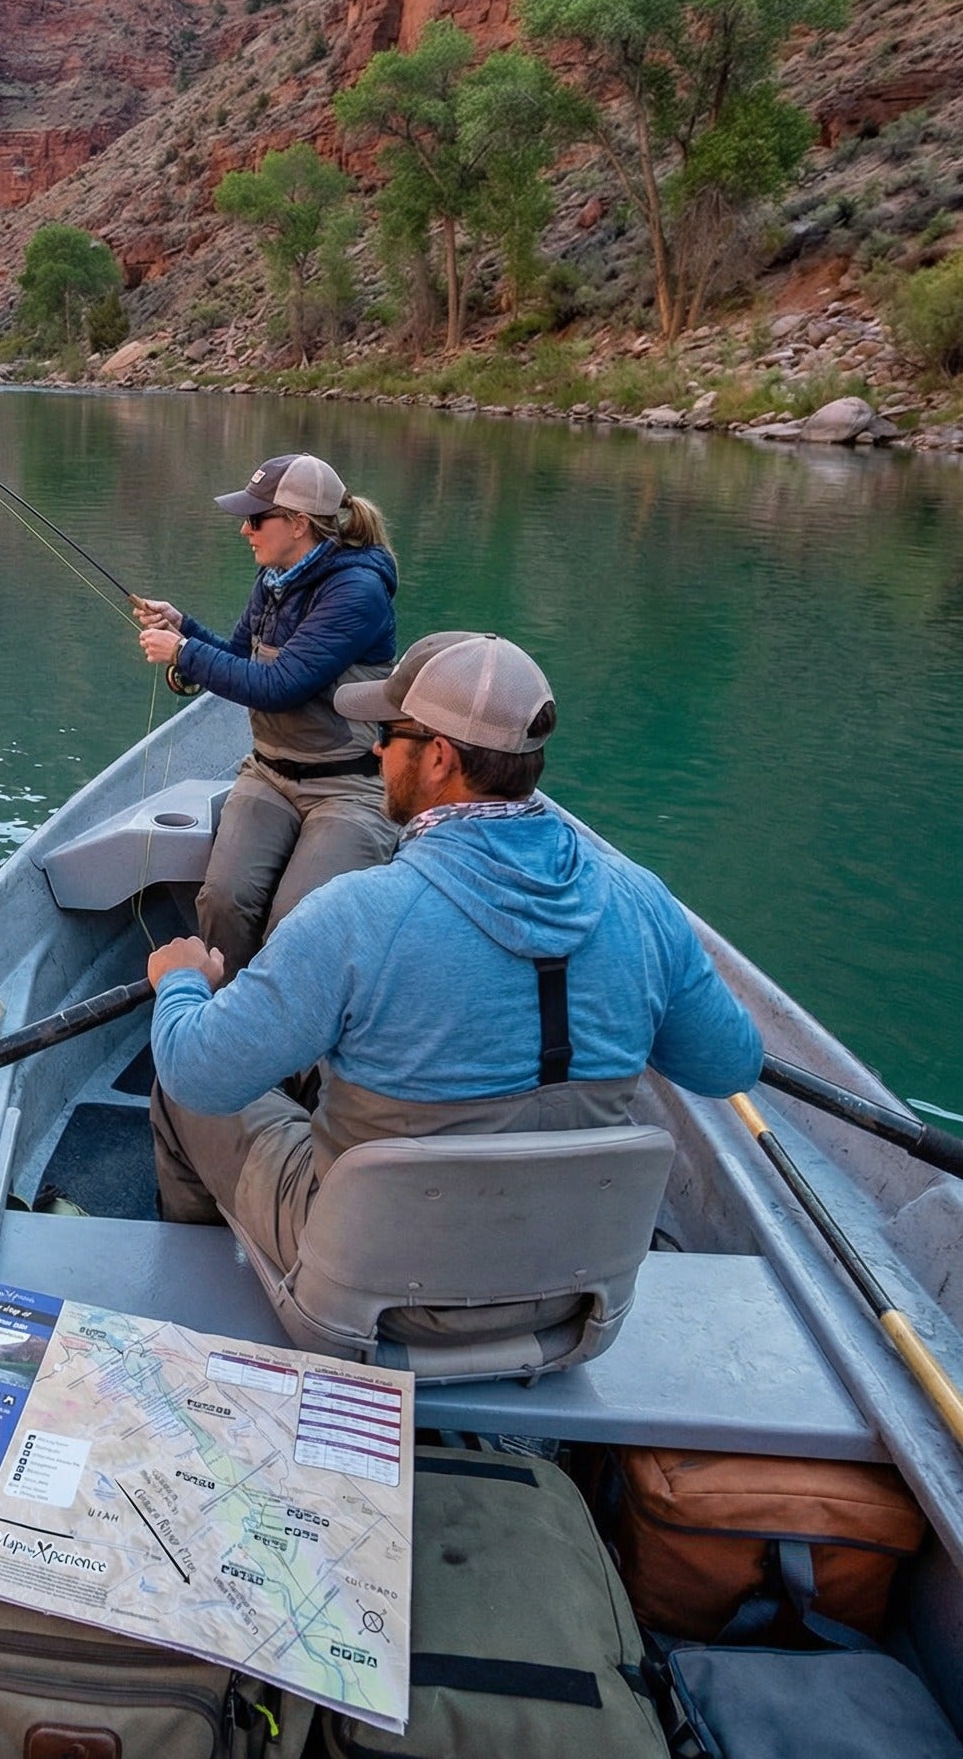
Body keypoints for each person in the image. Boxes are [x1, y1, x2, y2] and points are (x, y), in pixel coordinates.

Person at [146, 631, 762, 1323]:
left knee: (180, 1084)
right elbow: (730, 1065)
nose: (374, 751)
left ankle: (196, 1302)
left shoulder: (353, 915)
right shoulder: (644, 901)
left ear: (438, 757)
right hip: (570, 1295)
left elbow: (197, 1071)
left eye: (387, 734)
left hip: (374, 1304)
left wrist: (181, 983)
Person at [133, 453, 400, 981]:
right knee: (223, 901)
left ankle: (285, 1051)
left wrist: (184, 653)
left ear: (299, 523)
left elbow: (280, 687)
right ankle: (221, 1027)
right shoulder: (275, 578)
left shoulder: (356, 592)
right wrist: (183, 628)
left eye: (257, 519)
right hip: (271, 774)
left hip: (349, 786)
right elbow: (236, 658)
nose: (244, 530)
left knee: (295, 925)